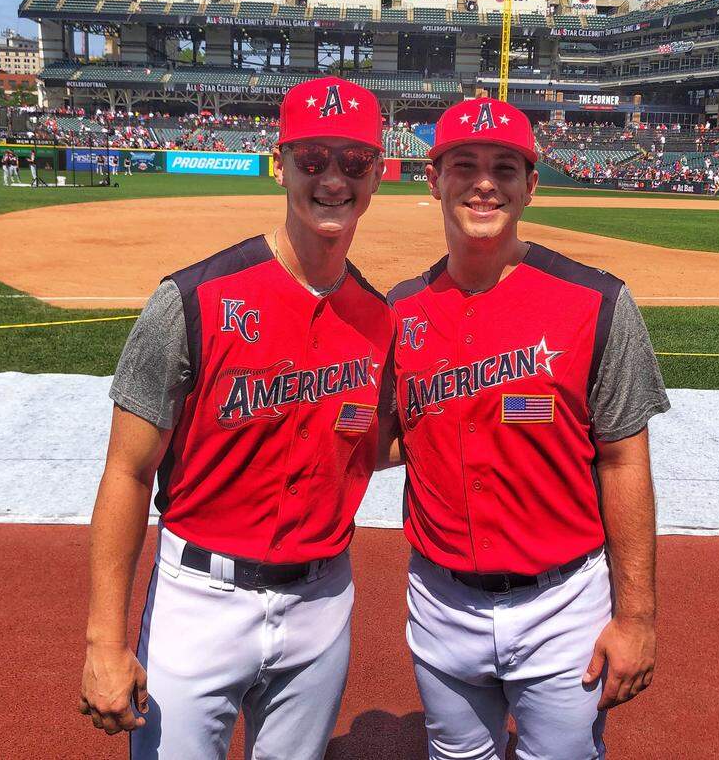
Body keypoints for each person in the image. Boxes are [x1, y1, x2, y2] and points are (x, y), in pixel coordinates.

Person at [79, 76, 394, 760]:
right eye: (313, 160)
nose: (333, 179)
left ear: (379, 173)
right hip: (199, 600)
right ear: (279, 163)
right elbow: (128, 471)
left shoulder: (380, 319)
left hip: (321, 603)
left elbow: (381, 438)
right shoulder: (190, 299)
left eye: (353, 161)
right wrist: (105, 640)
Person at [385, 98, 669, 760]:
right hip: (441, 598)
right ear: (434, 179)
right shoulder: (399, 310)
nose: (485, 182)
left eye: (504, 167)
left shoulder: (597, 301)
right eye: (465, 165)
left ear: (530, 185)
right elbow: (387, 437)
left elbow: (624, 461)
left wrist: (636, 616)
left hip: (562, 603)